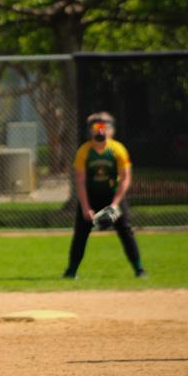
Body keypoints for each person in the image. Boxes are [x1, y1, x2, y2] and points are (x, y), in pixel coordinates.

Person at [62, 111, 146, 279]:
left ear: (111, 130)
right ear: (90, 130)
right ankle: (71, 271)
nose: (100, 130)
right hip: (91, 196)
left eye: (104, 127)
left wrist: (115, 205)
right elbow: (80, 181)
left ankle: (139, 270)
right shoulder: (84, 152)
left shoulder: (118, 150)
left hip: (113, 195)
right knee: (81, 233)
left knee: (125, 230)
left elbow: (125, 178)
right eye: (96, 127)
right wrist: (86, 207)